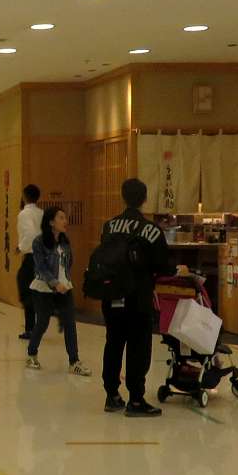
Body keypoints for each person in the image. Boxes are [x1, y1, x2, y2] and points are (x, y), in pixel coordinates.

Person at [97, 177, 178, 417]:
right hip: (138, 297)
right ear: (144, 199)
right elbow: (162, 265)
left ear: (123, 197)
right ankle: (135, 399)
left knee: (113, 343)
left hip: (112, 295)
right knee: (138, 346)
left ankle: (112, 395)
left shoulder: (109, 226)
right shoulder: (151, 230)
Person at [25, 207, 91, 376]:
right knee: (42, 322)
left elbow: (68, 263)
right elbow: (40, 268)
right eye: (61, 218)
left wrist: (64, 282)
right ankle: (31, 354)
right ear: (51, 222)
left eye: (65, 218)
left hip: (64, 288)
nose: (65, 221)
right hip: (43, 289)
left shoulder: (64, 242)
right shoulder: (39, 242)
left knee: (70, 323)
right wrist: (55, 283)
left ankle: (74, 362)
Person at [16, 184, 43, 341]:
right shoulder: (41, 213)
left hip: (31, 257)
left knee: (26, 290)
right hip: (42, 257)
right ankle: (35, 327)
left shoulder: (24, 214)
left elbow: (31, 233)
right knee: (35, 291)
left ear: (25, 196)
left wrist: (21, 247)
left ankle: (31, 329)